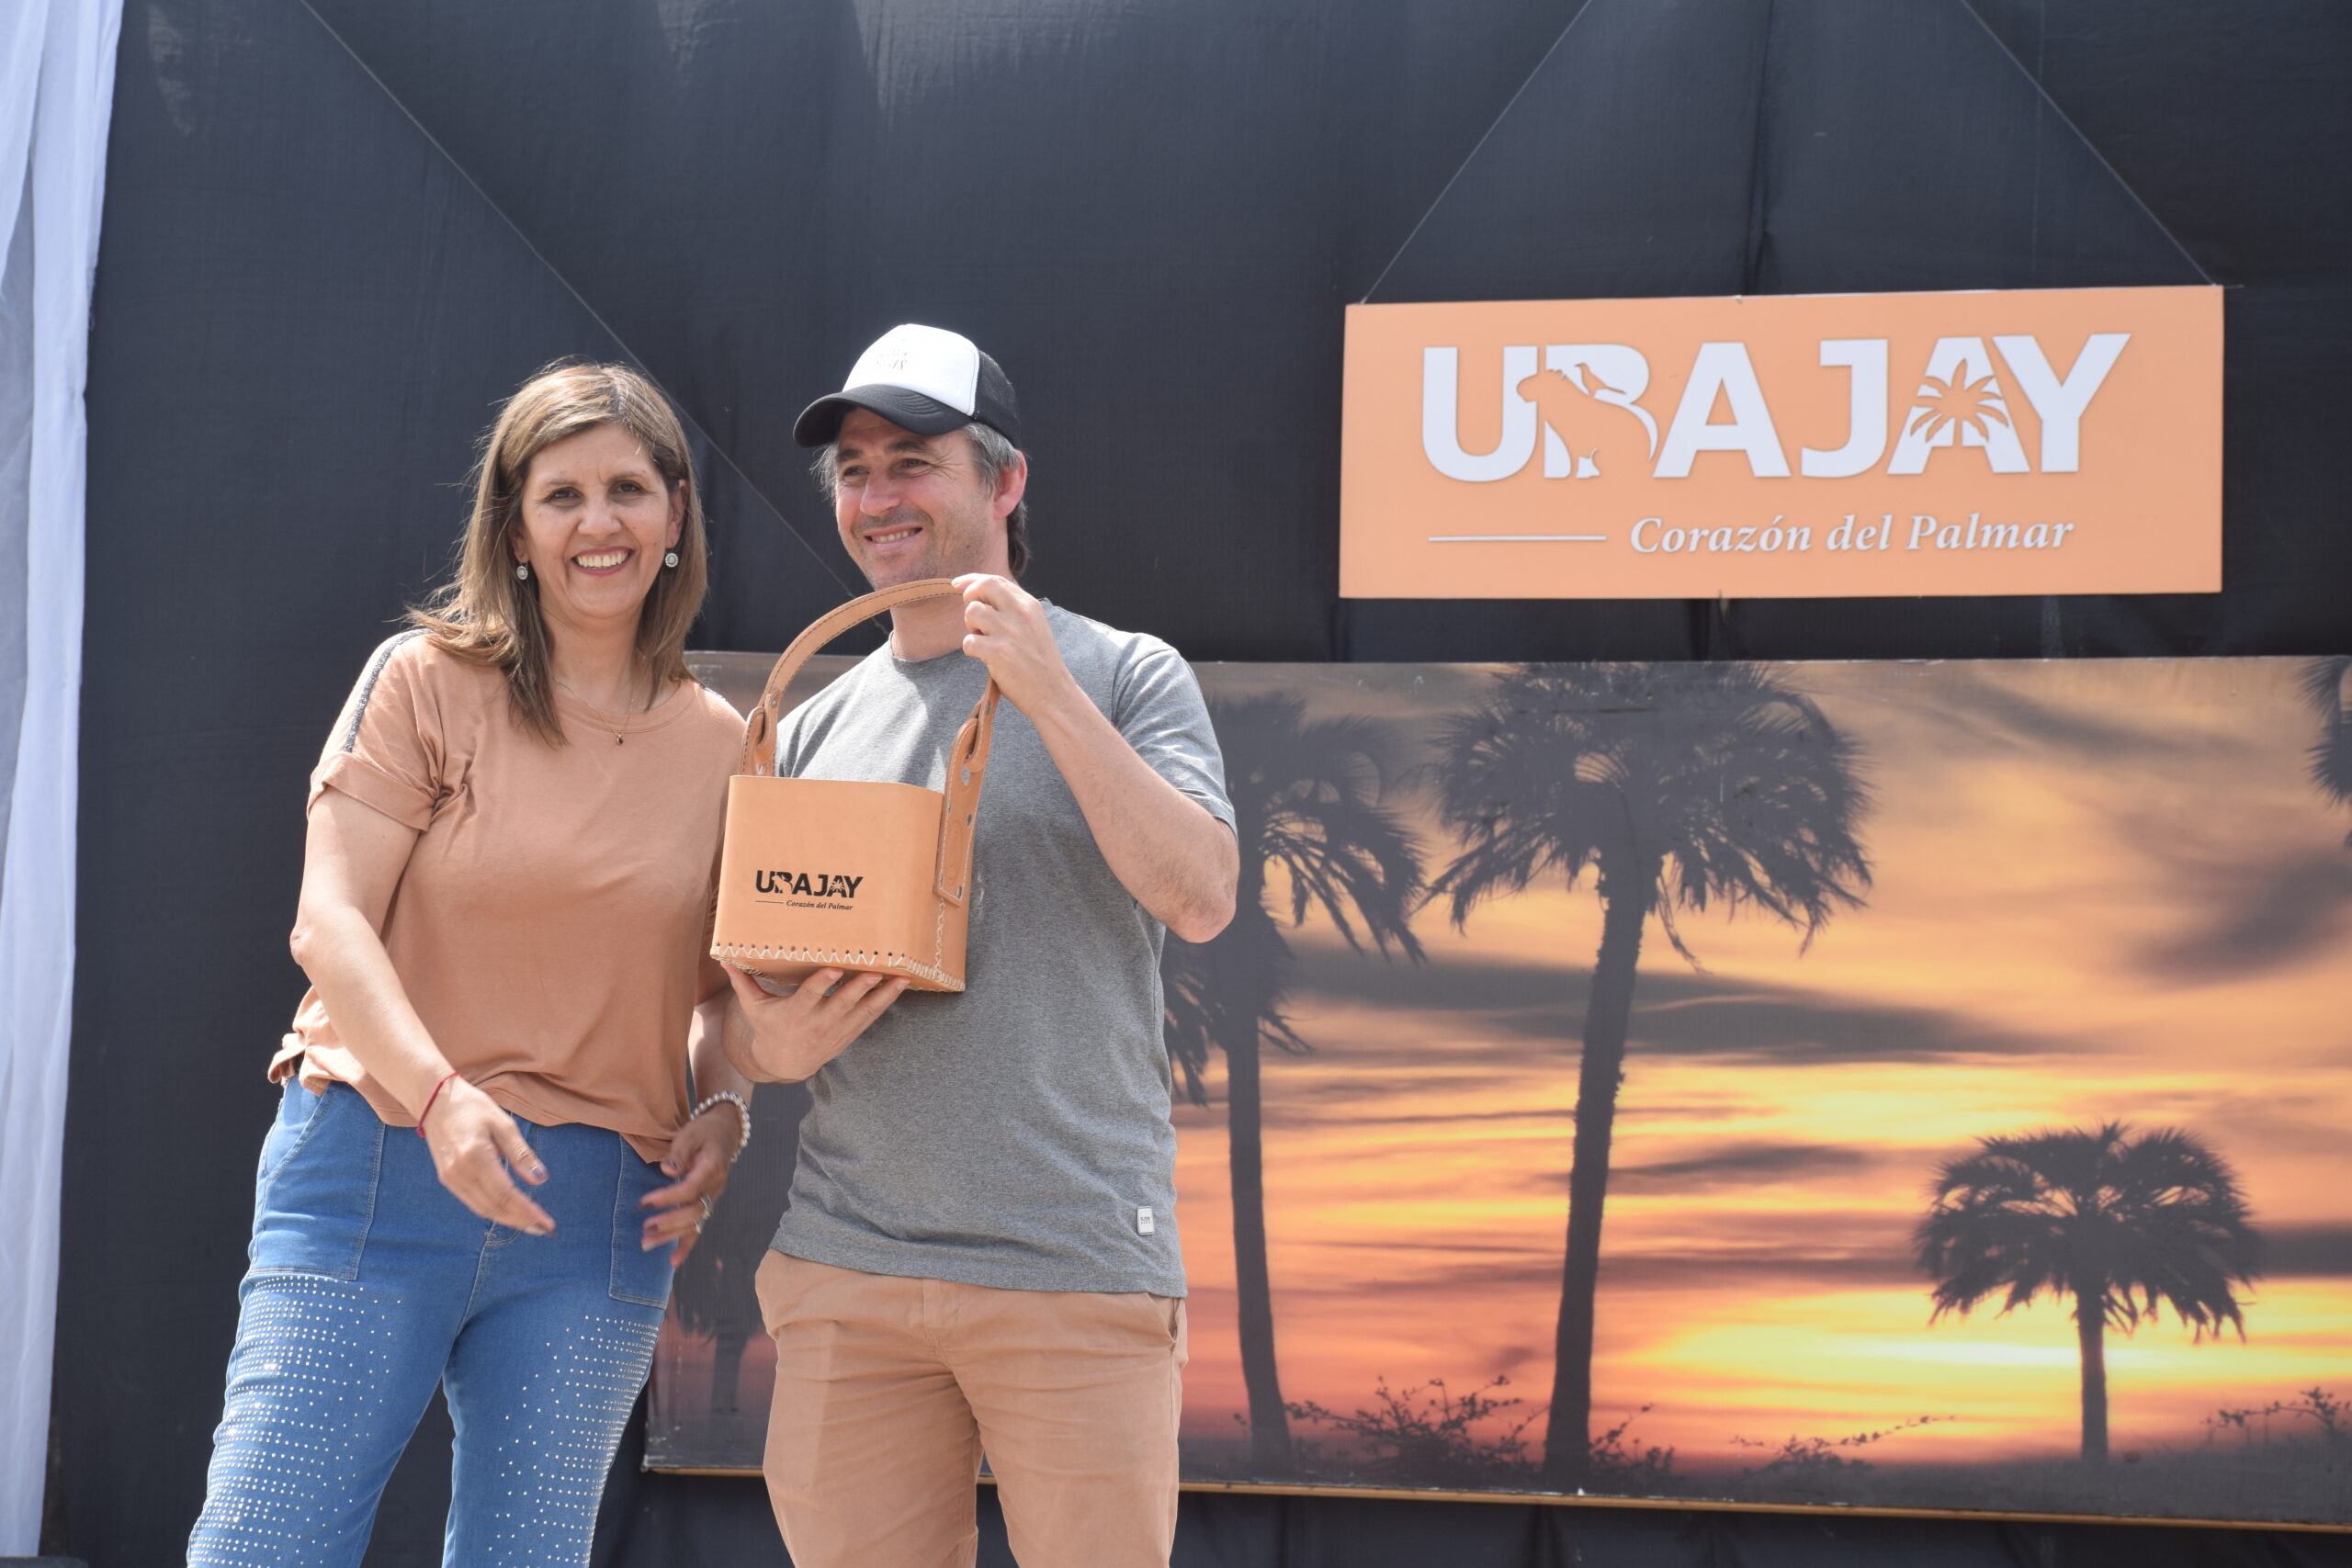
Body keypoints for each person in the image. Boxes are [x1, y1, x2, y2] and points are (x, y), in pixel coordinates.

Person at [187, 362, 759, 1568]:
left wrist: (723, 1107)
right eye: (562, 495)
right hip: (379, 1162)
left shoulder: (727, 746)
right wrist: (440, 1098)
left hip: (600, 1214)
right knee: (264, 1548)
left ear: (675, 517)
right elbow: (329, 921)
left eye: (627, 489)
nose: (598, 522)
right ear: (514, 529)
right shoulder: (424, 680)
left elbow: (712, 998)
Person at [720, 323, 1239, 1568]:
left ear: (1007, 482)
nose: (877, 497)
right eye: (854, 471)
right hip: (847, 1273)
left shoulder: (1126, 675)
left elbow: (1203, 895)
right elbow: (745, 1013)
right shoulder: (813, 726)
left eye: (913, 462)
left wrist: (1048, 693)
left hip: (1070, 1267)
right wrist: (767, 1044)